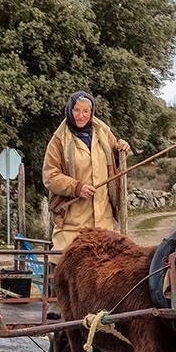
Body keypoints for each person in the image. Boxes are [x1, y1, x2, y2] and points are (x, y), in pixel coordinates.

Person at [42, 90, 131, 257]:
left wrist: (123, 148)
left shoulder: (103, 132)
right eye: (76, 110)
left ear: (92, 112)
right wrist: (77, 187)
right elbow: (50, 176)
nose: (81, 116)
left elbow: (116, 158)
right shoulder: (59, 140)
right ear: (69, 110)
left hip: (103, 223)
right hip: (72, 224)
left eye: (85, 111)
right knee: (67, 269)